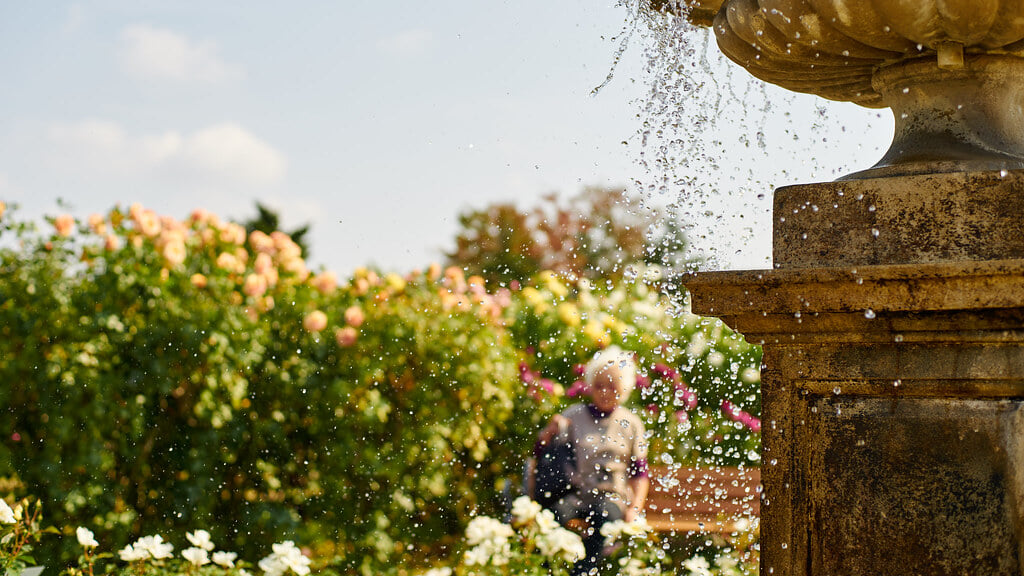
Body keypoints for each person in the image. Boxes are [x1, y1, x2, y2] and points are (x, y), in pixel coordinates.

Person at [535, 346, 649, 575]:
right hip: (577, 494)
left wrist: (634, 509)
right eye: (599, 386)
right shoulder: (572, 415)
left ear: (623, 388)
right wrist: (548, 433)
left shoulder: (632, 423)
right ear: (590, 385)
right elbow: (541, 453)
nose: (605, 392)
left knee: (604, 517)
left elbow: (640, 474)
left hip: (612, 497)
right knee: (554, 515)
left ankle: (585, 571)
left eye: (612, 386)